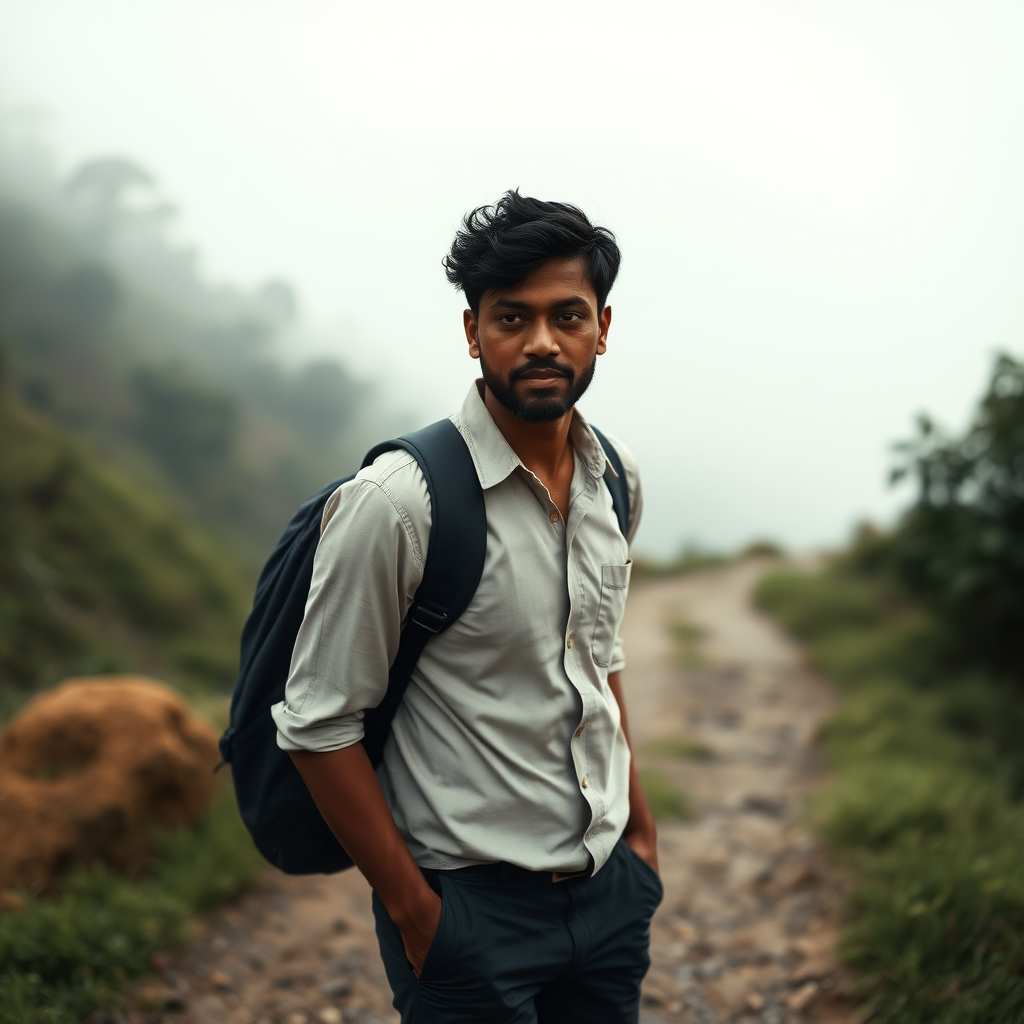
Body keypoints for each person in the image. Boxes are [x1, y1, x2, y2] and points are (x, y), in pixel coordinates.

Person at [272, 191, 661, 1023]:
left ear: (604, 326)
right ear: (472, 331)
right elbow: (316, 723)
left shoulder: (615, 478)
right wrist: (418, 913)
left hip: (608, 898)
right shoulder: (399, 503)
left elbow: (600, 656)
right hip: (466, 910)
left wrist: (641, 837)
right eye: (512, 318)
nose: (543, 342)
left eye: (568, 315)